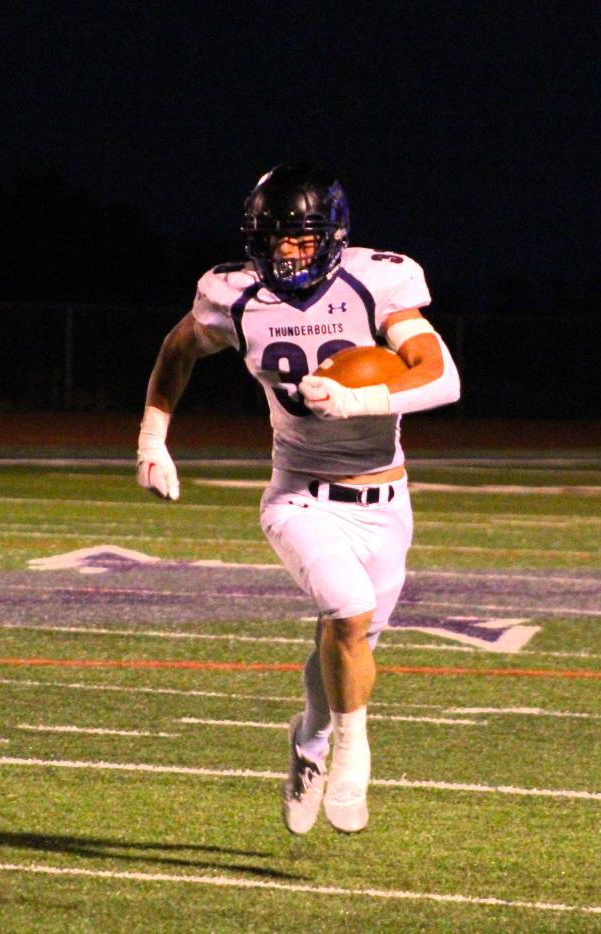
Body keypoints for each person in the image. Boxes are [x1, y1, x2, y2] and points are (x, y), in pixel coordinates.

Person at [136, 163, 460, 834]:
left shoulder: (377, 283)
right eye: (275, 237)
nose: (287, 250)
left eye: (301, 236)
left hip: (386, 503)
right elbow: (178, 349)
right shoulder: (234, 294)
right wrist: (152, 437)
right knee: (346, 611)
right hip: (299, 496)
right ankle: (351, 753)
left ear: (333, 234)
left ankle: (309, 739)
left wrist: (358, 397)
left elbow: (442, 376)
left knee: (351, 640)